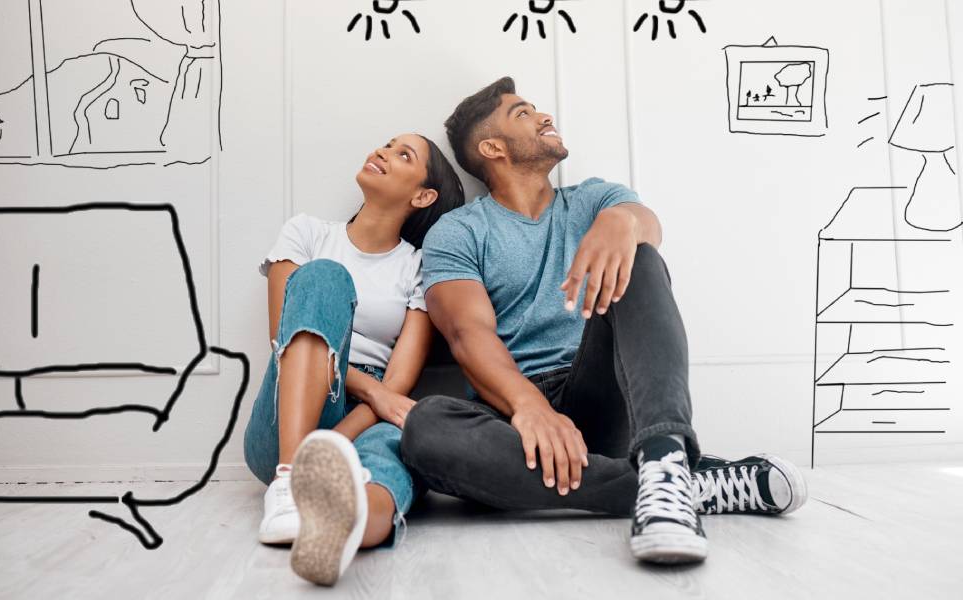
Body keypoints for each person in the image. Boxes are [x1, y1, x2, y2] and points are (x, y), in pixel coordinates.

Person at [399, 77, 808, 565]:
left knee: (641, 258)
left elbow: (645, 225)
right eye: (523, 114)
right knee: (424, 427)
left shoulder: (594, 199)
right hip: (513, 415)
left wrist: (624, 222)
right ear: (492, 147)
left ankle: (662, 454)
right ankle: (673, 484)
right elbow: (468, 333)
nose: (545, 116)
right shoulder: (459, 230)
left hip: (601, 397)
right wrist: (531, 406)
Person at [243, 133, 464, 585]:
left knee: (394, 452)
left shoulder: (419, 266)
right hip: (290, 408)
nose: (382, 152)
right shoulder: (306, 233)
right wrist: (370, 393)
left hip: (369, 415)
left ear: (422, 196)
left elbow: (399, 381)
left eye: (404, 154)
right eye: (386, 144)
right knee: (325, 277)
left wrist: (340, 440)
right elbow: (282, 337)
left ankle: (351, 522)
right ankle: (289, 480)